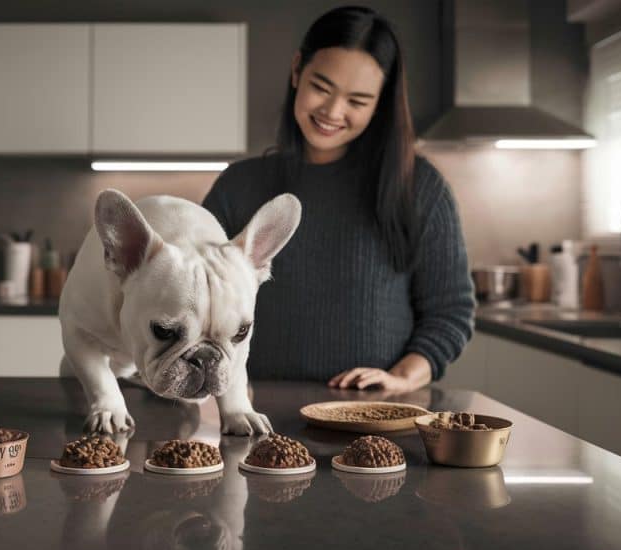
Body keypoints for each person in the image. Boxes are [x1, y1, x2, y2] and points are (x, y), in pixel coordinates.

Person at [203, 5, 474, 395]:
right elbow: (194, 294)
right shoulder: (238, 185)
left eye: (358, 101)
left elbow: (450, 313)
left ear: (380, 103)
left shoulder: (420, 187)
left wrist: (401, 378)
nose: (332, 111)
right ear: (297, 70)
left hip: (373, 415)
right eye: (321, 88)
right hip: (251, 409)